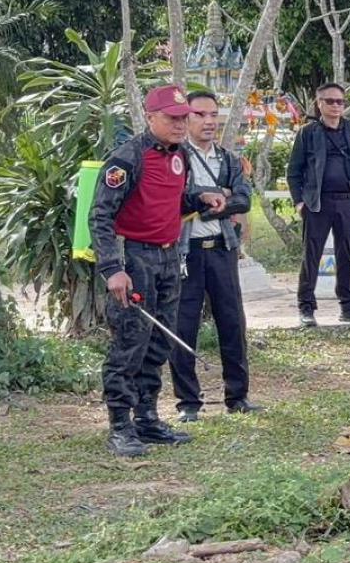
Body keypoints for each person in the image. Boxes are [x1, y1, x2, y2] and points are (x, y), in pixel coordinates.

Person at [90, 84, 228, 457]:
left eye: (184, 117)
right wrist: (112, 269)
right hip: (134, 258)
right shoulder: (127, 159)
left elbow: (170, 201)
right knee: (130, 342)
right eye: (172, 118)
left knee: (160, 341)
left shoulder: (180, 155)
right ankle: (121, 425)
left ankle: (147, 418)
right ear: (150, 117)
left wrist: (200, 198)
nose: (180, 124)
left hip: (169, 258)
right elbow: (100, 216)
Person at [170, 90, 258, 420]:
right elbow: (177, 198)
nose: (208, 121)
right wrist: (218, 196)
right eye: (200, 114)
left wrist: (210, 204)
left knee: (232, 322)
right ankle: (188, 403)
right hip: (186, 252)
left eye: (213, 115)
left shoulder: (229, 159)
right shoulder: (176, 158)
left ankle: (238, 396)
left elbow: (244, 199)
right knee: (183, 325)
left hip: (222, 249)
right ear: (186, 117)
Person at [288, 82, 350, 327]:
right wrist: (299, 202)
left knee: (346, 255)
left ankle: (349, 307)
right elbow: (294, 171)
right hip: (318, 202)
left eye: (340, 101)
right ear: (319, 104)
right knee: (311, 255)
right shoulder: (308, 133)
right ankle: (306, 307)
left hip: (348, 201)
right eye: (330, 101)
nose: (336, 106)